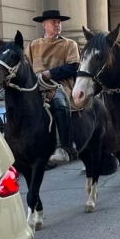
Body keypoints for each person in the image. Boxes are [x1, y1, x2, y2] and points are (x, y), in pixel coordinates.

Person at [26, 9, 80, 163]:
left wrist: (50, 73)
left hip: (59, 85)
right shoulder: (32, 45)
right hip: (35, 85)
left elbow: (74, 66)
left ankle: (65, 148)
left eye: (59, 22)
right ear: (44, 25)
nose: (58, 25)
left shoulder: (69, 44)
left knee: (60, 103)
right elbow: (25, 66)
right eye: (54, 22)